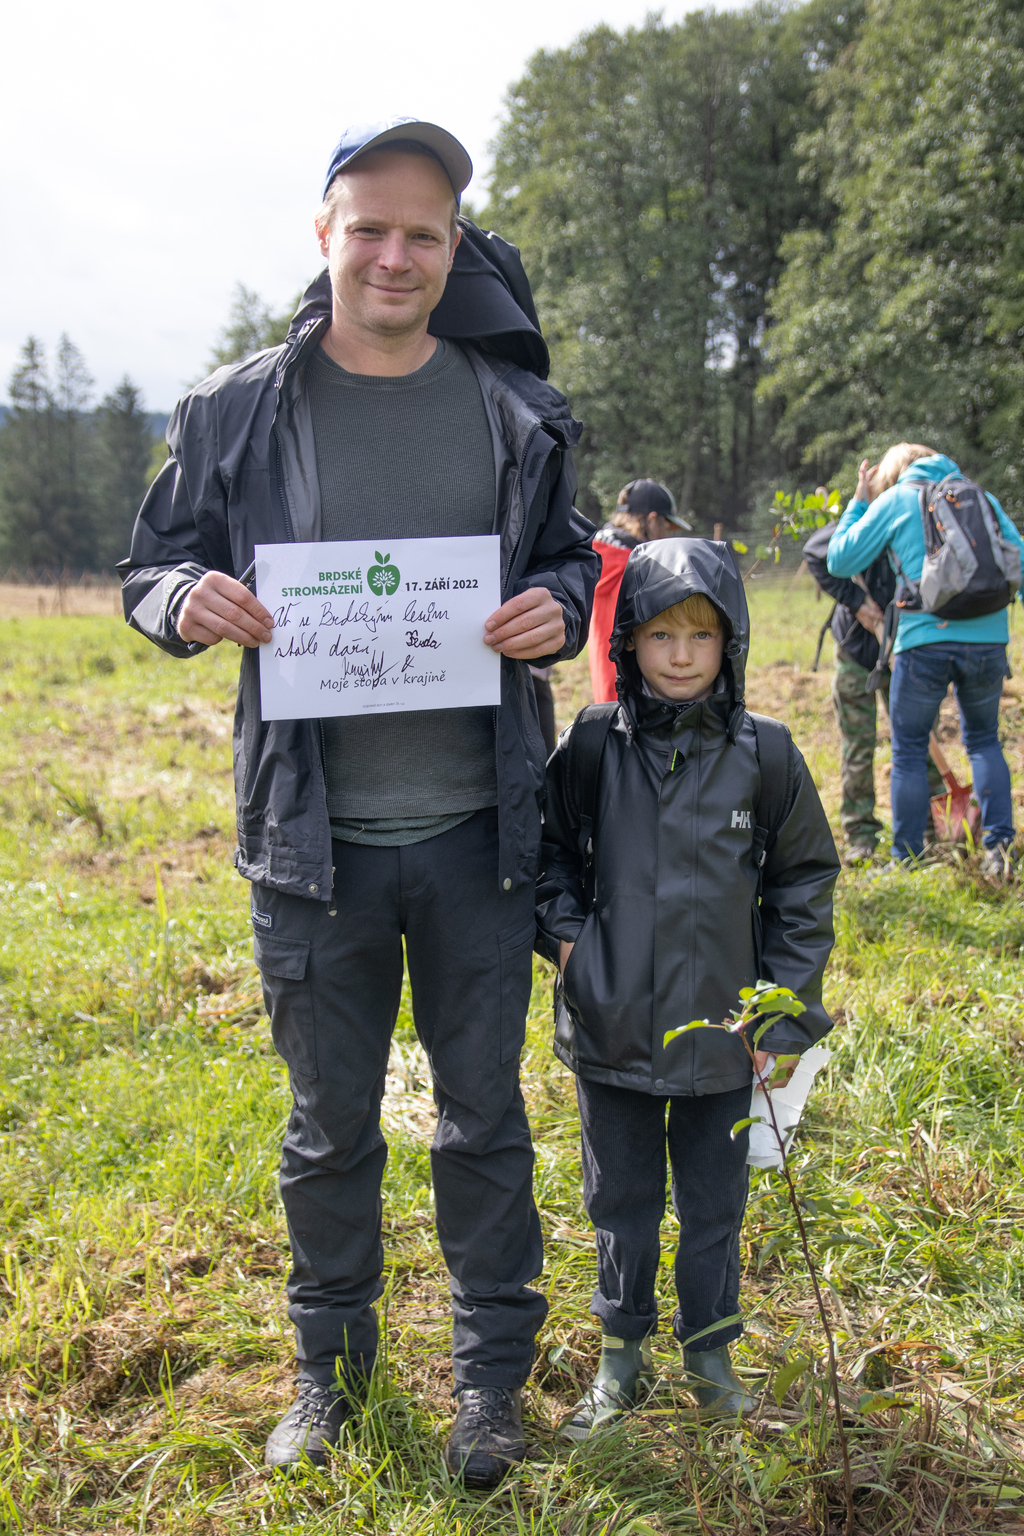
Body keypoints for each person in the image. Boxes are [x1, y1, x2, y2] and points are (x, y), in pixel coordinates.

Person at [119, 118, 599, 1485]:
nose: (396, 255)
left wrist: (555, 611)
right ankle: (331, 1382)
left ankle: (493, 1387)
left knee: (484, 1120)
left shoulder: (518, 413)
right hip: (310, 847)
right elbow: (149, 566)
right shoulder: (232, 410)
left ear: (457, 249)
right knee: (329, 1129)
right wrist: (182, 599)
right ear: (323, 233)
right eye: (371, 227)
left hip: (477, 837)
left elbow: (571, 566)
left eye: (425, 234)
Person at [536, 538, 839, 1437]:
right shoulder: (592, 745)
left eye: (700, 638)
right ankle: (619, 1358)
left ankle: (710, 1352)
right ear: (628, 641)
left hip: (724, 1038)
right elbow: (546, 855)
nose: (679, 655)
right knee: (619, 1202)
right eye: (661, 634)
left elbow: (804, 885)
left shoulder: (768, 756)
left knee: (715, 1204)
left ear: (731, 645)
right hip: (612, 1027)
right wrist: (570, 949)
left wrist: (782, 1012)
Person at [827, 445, 1024, 874]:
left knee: (910, 751)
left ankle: (908, 859)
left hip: (923, 642)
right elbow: (1019, 561)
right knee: (986, 741)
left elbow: (840, 559)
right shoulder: (979, 496)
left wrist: (860, 501)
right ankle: (1000, 851)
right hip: (989, 640)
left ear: (896, 470)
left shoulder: (897, 499)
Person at [803, 476, 943, 863]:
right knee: (858, 747)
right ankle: (861, 834)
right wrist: (857, 601)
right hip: (857, 653)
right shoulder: (865, 524)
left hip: (909, 652)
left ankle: (931, 829)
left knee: (917, 745)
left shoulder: (925, 529)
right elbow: (816, 551)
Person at [588, 479, 691, 703]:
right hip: (640, 693)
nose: (666, 535)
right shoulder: (639, 568)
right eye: (666, 526)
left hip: (606, 690)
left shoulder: (593, 557)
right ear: (653, 520)